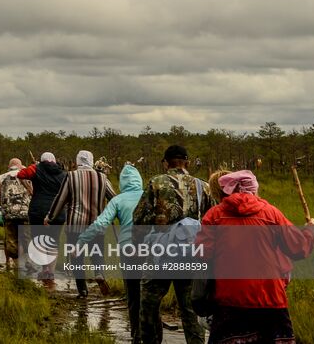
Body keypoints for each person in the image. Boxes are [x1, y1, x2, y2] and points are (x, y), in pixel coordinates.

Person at [197, 170, 314, 344]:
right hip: (270, 298)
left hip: (230, 298)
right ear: (253, 189)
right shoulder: (271, 213)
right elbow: (298, 248)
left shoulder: (214, 215)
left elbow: (202, 255)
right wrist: (310, 231)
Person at [132, 145, 212, 344]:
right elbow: (212, 222)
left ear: (165, 163)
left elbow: (140, 220)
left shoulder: (156, 183)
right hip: (192, 255)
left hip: (161, 255)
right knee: (190, 308)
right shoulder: (204, 186)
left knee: (149, 305)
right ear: (188, 162)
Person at [78, 163, 145, 344]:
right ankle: (152, 334)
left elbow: (100, 224)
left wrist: (82, 240)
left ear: (122, 183)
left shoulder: (118, 200)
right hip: (153, 250)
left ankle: (136, 336)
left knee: (132, 295)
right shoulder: (149, 196)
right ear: (139, 180)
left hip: (128, 250)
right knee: (151, 293)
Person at [48, 150, 117, 298]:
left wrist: (50, 216)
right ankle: (99, 273)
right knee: (97, 253)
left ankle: (83, 290)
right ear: (92, 161)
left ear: (77, 161)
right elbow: (114, 198)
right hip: (97, 224)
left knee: (76, 258)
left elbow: (61, 198)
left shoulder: (71, 176)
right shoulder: (102, 177)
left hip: (75, 225)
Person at [17, 152, 67, 287]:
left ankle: (44, 268)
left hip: (37, 210)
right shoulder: (63, 174)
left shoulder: (36, 169)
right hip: (57, 211)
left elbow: (20, 174)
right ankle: (50, 271)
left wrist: (29, 188)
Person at [0, 158, 33, 269]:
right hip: (25, 213)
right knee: (26, 239)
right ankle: (28, 262)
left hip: (9, 214)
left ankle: (16, 265)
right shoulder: (27, 177)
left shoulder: (2, 177)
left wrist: (5, 206)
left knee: (11, 240)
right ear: (20, 166)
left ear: (9, 166)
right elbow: (32, 193)